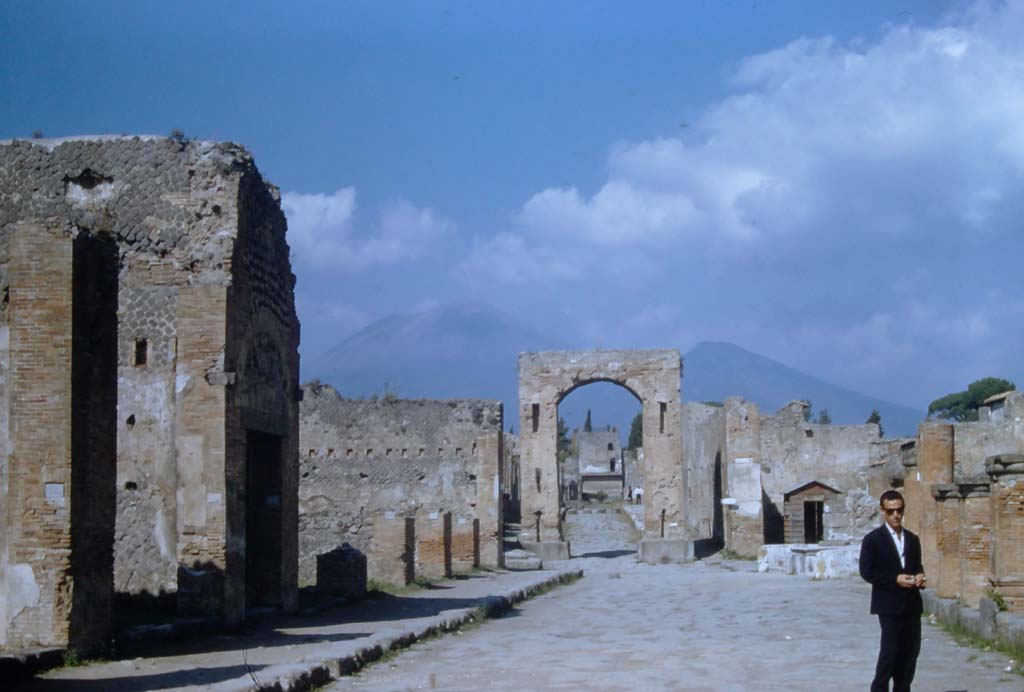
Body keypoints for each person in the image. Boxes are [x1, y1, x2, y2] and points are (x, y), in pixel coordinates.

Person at [859, 490, 926, 692]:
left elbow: (917, 566)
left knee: (910, 653)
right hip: (888, 604)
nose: (896, 515)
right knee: (890, 652)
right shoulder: (873, 540)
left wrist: (920, 576)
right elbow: (867, 571)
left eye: (899, 511)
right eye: (891, 511)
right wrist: (894, 579)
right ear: (883, 512)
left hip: (911, 604)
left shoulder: (913, 539)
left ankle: (902, 689)